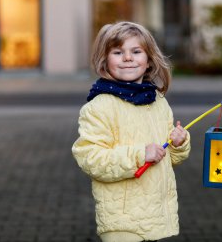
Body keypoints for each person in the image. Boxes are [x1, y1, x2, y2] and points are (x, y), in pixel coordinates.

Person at [72, 21, 191, 242]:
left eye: (136, 51)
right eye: (118, 52)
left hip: (154, 216)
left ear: (148, 61)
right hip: (122, 221)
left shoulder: (158, 101)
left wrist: (178, 143)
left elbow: (169, 159)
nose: (128, 58)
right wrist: (139, 155)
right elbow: (90, 158)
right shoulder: (99, 107)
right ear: (105, 61)